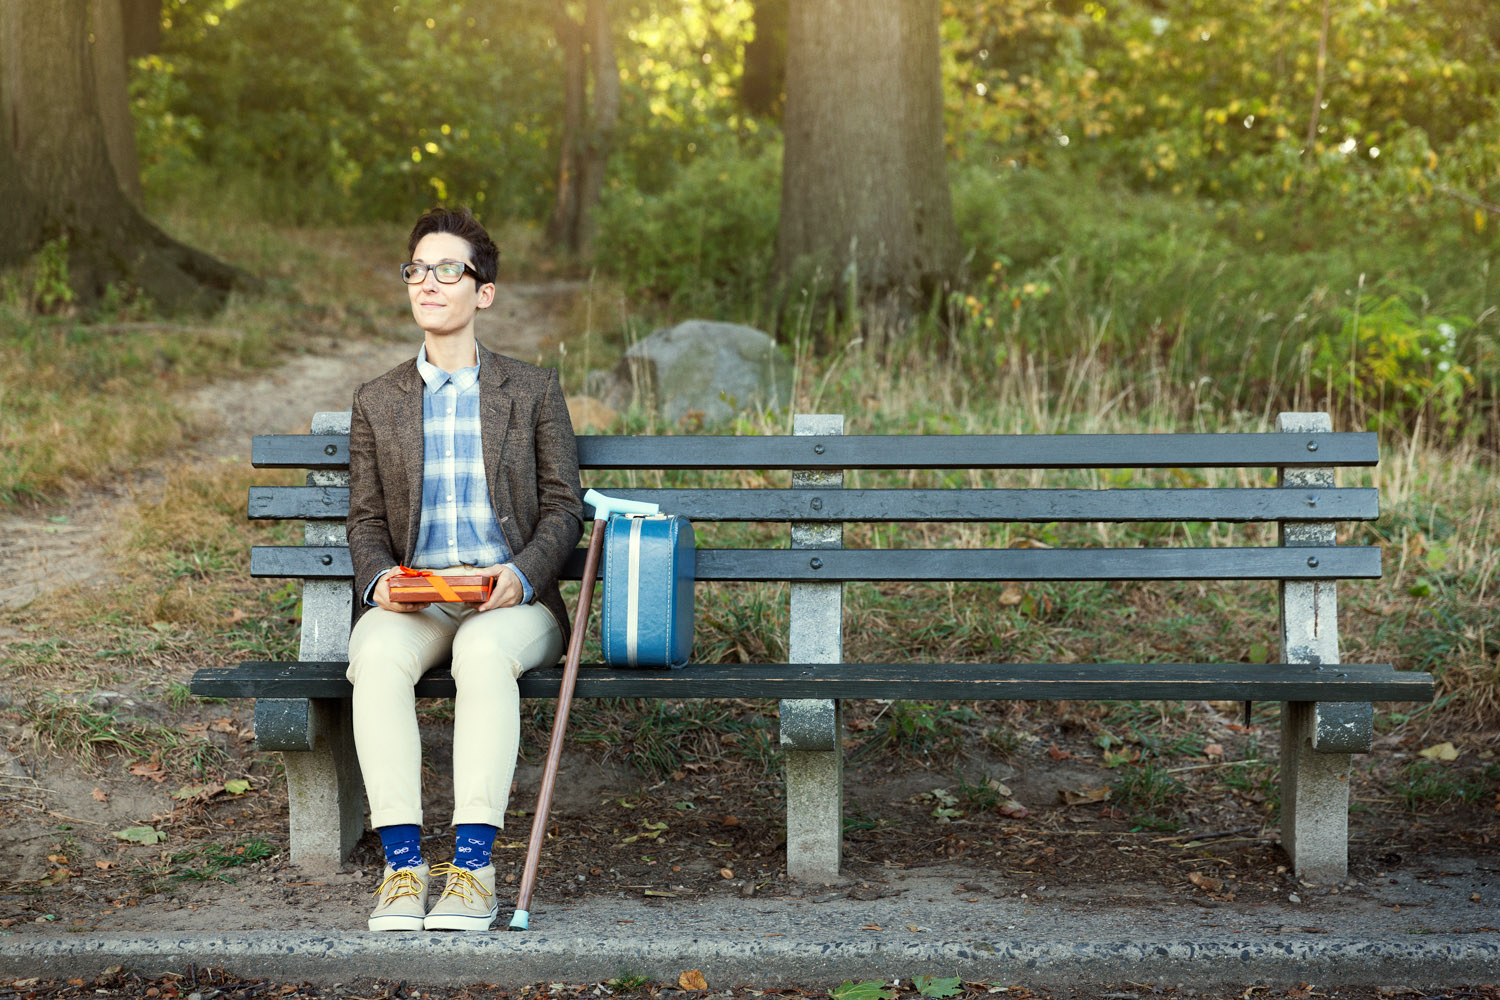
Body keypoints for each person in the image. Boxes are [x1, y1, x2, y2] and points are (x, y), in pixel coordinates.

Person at [345, 206, 583, 931]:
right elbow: (363, 521)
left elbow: (564, 508)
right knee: (375, 654)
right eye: (417, 268)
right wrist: (382, 578)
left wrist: (524, 572)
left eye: (449, 269)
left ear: (483, 293)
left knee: (483, 655)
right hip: (419, 601)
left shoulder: (532, 391)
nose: (428, 281)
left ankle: (473, 869)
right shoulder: (378, 400)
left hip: (511, 603)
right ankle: (402, 866)